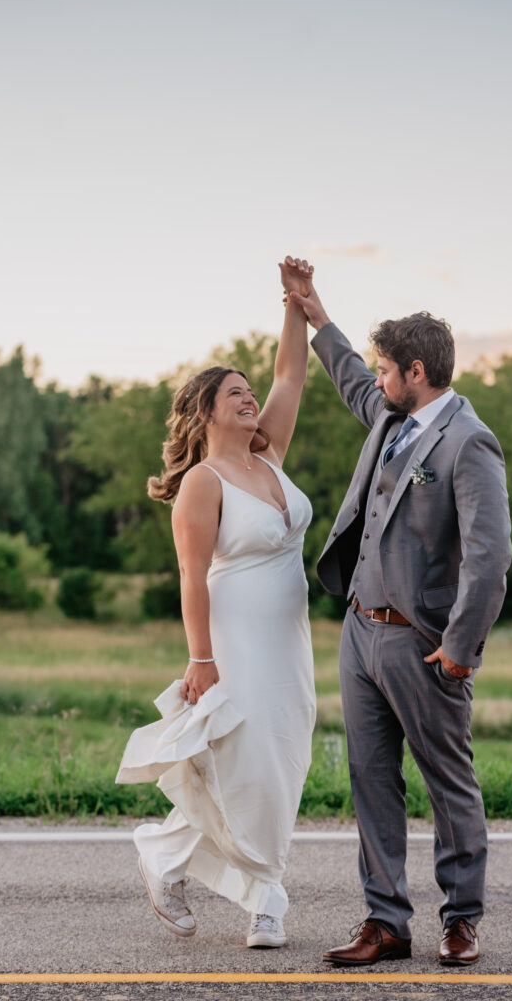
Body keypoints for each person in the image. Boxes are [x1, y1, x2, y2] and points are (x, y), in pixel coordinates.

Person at [283, 261, 512, 967]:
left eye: (387, 369)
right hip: (359, 632)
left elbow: (488, 556)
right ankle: (385, 921)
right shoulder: (391, 412)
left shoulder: (468, 443)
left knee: (447, 783)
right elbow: (350, 374)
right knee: (369, 777)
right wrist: (317, 315)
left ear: (416, 371)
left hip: (423, 644)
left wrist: (461, 648)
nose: (376, 380)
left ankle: (460, 920)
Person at [117, 259, 317, 949]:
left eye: (248, 391)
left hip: (289, 642)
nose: (249, 398)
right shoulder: (204, 482)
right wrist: (200, 658)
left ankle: (167, 856)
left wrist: (294, 305)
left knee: (284, 760)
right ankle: (267, 903)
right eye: (234, 393)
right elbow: (190, 575)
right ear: (205, 410)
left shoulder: (270, 459)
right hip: (233, 640)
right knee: (244, 764)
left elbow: (290, 375)